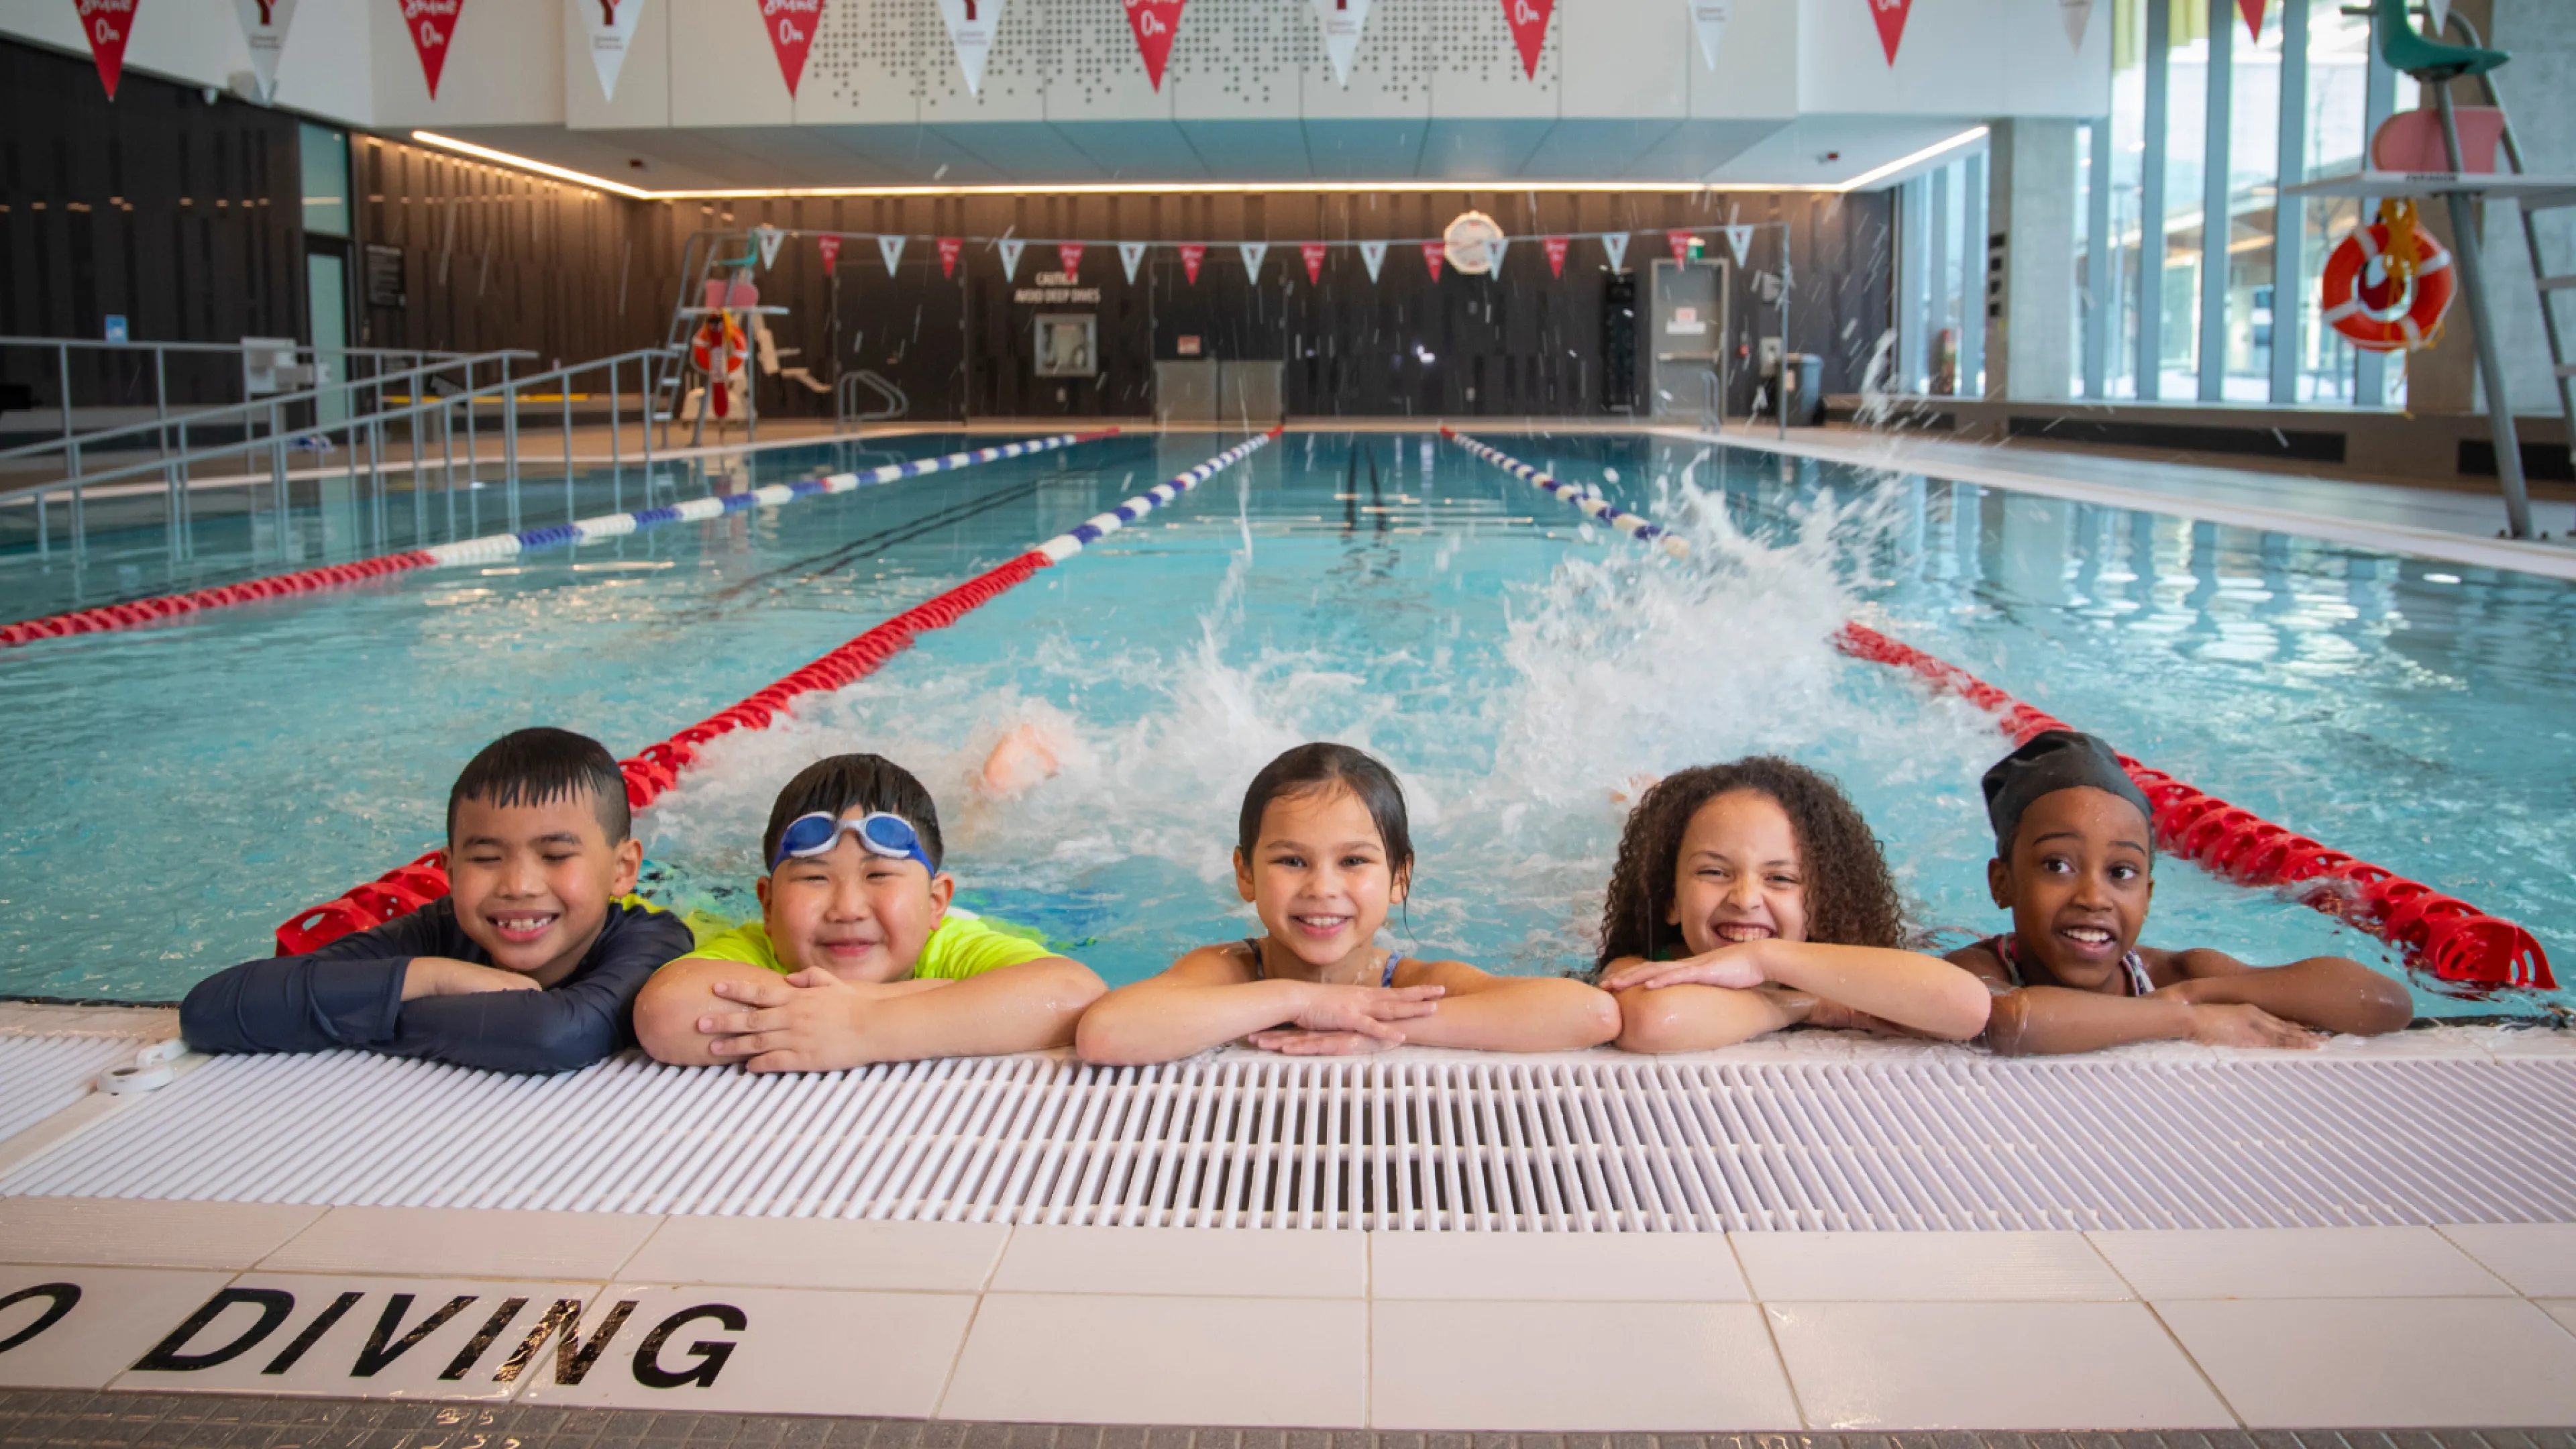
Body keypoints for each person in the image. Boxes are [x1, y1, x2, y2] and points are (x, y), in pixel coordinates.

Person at [181, 729, 694, 1073]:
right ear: (448, 871)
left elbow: (552, 1034)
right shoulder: (437, 935)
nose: (518, 885)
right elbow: (212, 1008)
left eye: (555, 855)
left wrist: (359, 1013)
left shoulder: (656, 940)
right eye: (487, 858)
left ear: (623, 870)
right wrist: (435, 977)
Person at [1076, 743, 1620, 1065]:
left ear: (1399, 878)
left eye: (1354, 862)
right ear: (1245, 874)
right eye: (1291, 861)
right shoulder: (1230, 972)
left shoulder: (1409, 986)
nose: (1322, 888)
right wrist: (1296, 1003)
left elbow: (1590, 1013)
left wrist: (1368, 1023)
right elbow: (1107, 1032)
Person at [1949, 729, 2414, 1055]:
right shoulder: (1976, 970)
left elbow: (2384, 1002)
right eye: (2058, 865)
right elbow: (2013, 1022)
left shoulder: (2176, 972)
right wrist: (2188, 1015)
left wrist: (2198, 991)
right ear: (2002, 882)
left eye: (2122, 872)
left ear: (2148, 896)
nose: (2094, 896)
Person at [632, 753, 1105, 1071]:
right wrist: (948, 998)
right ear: (769, 905)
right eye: (815, 878)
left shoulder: (955, 943)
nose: (847, 908)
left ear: (935, 903)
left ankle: (992, 792)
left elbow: (1074, 995)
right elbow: (666, 1011)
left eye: (879, 876)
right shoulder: (757, 947)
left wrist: (861, 1028)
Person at [1598, 758, 1992, 1051]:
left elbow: (1968, 1008)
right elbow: (1655, 1021)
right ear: (1672, 901)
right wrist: (1802, 1004)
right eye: (1714, 873)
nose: (1745, 899)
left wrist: (1766, 960)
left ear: (1822, 903)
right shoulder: (1652, 965)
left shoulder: (1855, 967)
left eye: (1781, 878)